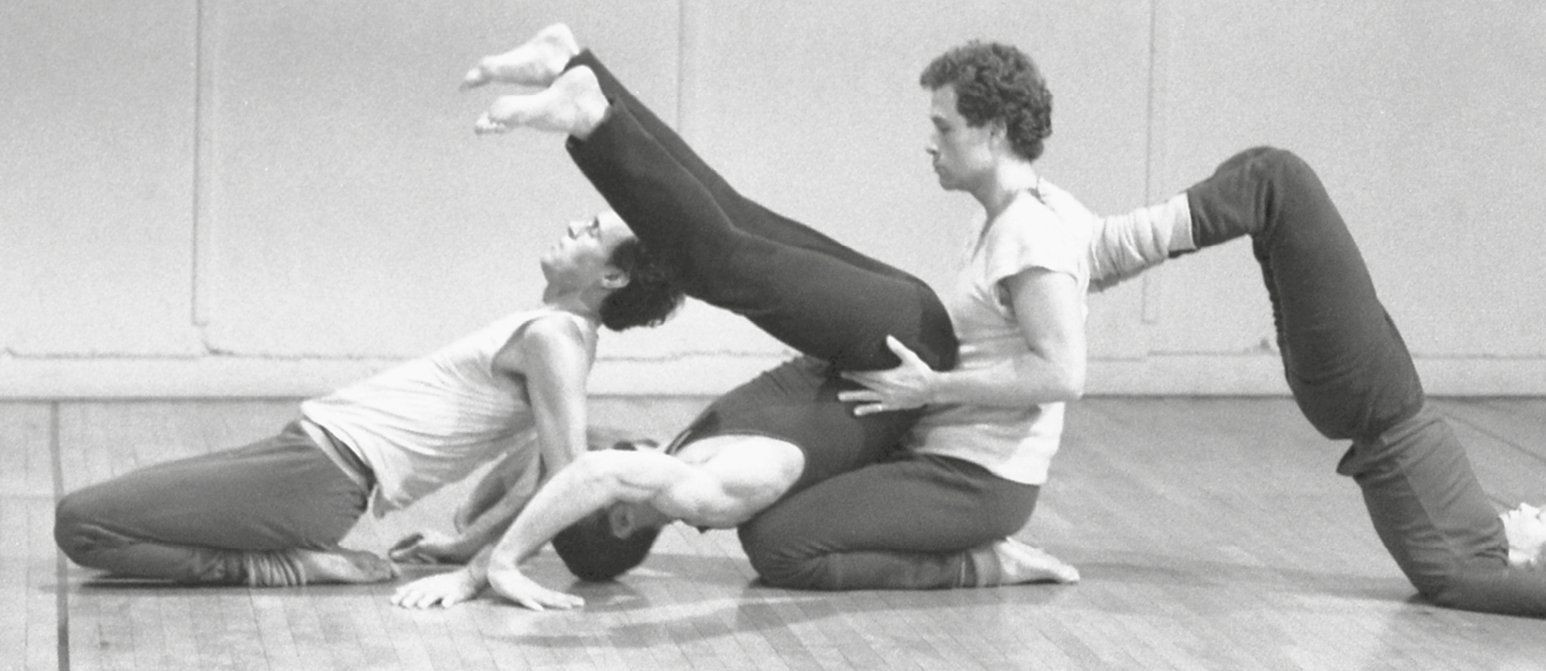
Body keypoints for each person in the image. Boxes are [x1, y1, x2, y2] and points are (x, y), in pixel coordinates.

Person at [392, 26, 1084, 611]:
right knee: (726, 234)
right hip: (895, 347)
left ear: (993, 131)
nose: (930, 143)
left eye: (943, 126)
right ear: (624, 509)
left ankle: (588, 99)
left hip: (900, 351)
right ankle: (579, 79)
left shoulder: (1026, 228)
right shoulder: (713, 483)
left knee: (718, 251)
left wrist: (484, 559)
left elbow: (575, 472)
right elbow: (577, 472)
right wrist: (483, 553)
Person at [1079, 145, 1546, 625]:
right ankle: (1107, 264)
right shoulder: (1485, 552)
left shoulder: (1476, 570)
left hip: (1366, 387)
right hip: (1362, 386)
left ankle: (1103, 252)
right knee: (1267, 200)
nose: (1528, 503)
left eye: (1543, 515)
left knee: (1281, 180)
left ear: (1538, 556)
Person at [53, 210, 684, 586]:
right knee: (96, 517)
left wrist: (486, 568)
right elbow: (551, 472)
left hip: (316, 478)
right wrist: (465, 545)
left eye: (590, 230)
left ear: (611, 276)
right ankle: (287, 557)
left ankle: (287, 568)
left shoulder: (557, 340)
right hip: (301, 460)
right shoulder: (560, 337)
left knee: (84, 524)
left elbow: (568, 479)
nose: (572, 226)